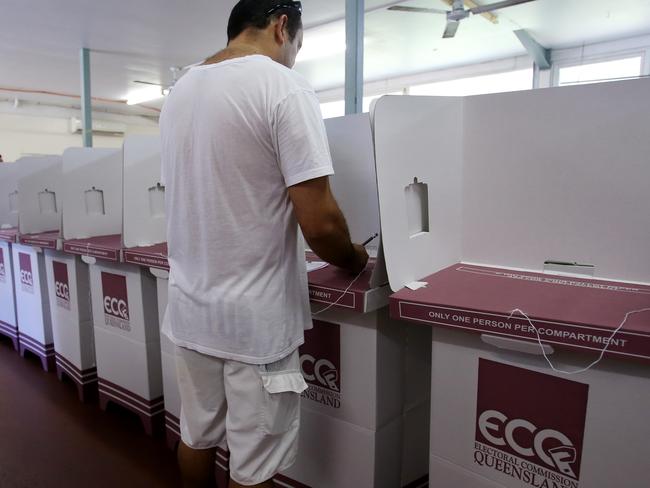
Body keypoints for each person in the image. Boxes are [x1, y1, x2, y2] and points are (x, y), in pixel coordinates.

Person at [159, 1, 368, 487]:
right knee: (253, 465)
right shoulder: (282, 86)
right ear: (282, 28)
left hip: (191, 311)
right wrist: (356, 258)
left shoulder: (181, 91)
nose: (294, 54)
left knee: (197, 435)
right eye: (297, 43)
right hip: (255, 326)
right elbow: (320, 224)